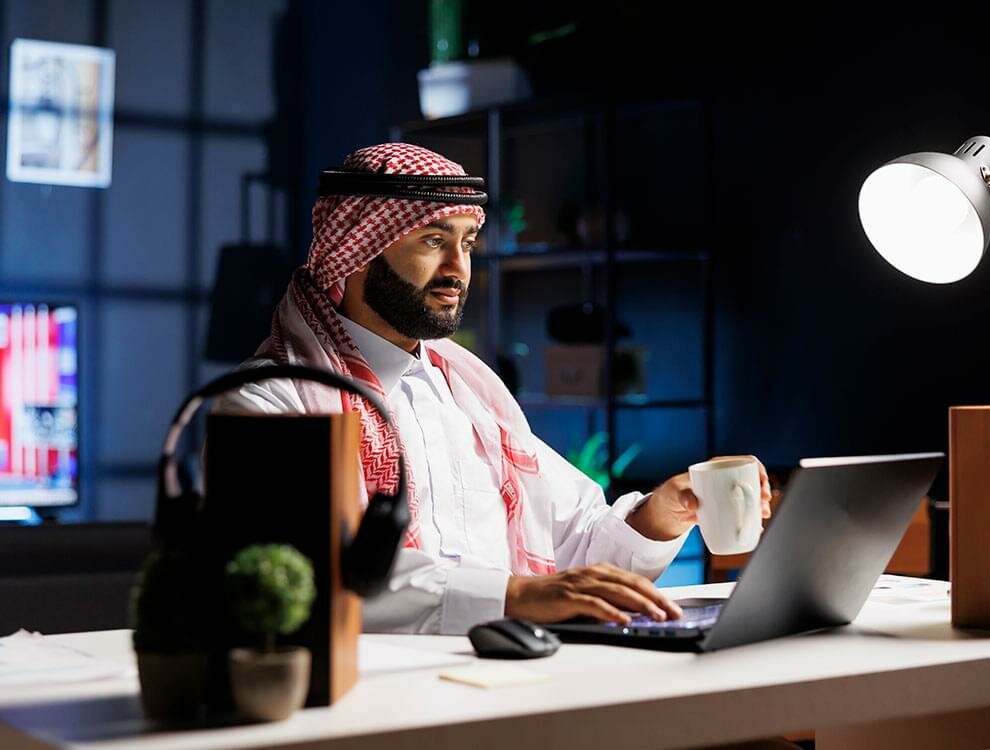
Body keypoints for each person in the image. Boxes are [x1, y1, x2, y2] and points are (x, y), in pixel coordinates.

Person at [219, 142, 771, 634]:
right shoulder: (272, 400)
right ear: (359, 251)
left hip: (510, 674)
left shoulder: (468, 394)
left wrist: (660, 515)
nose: (458, 269)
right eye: (433, 241)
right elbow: (314, 572)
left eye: (467, 243)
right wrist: (515, 597)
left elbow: (576, 543)